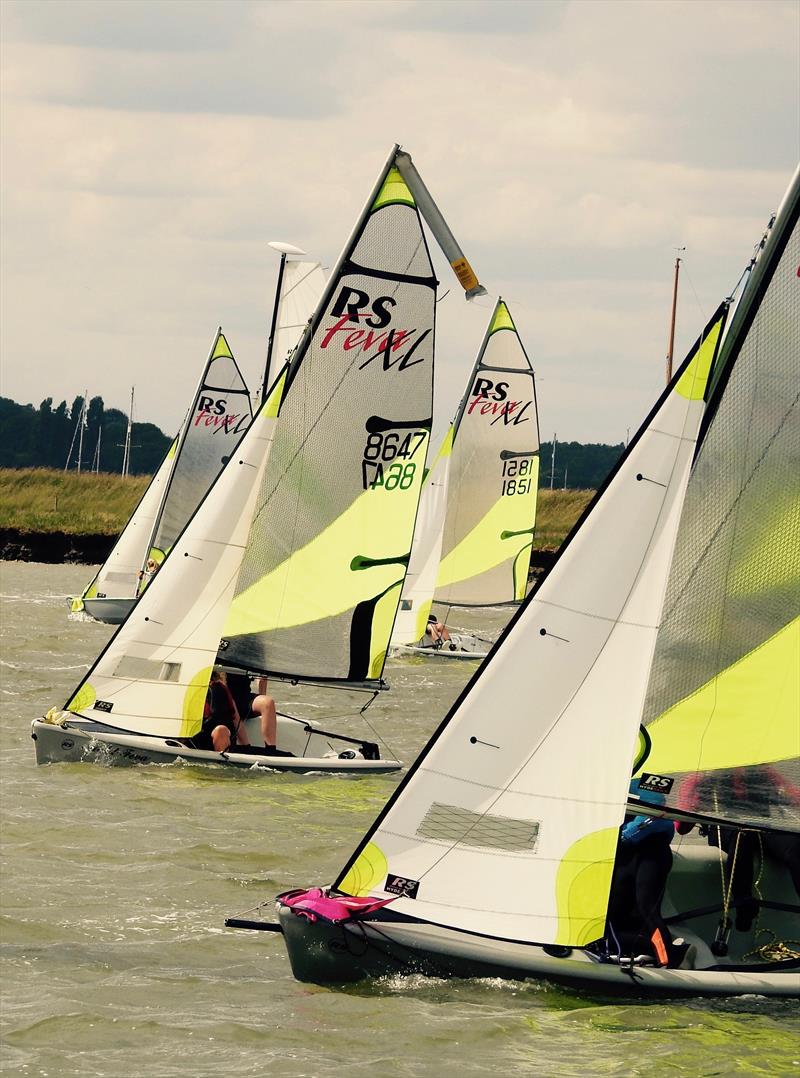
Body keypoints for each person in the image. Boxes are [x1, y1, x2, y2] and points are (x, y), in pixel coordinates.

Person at [677, 766, 800, 933]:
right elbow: (681, 828)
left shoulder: (762, 771)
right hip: (726, 830)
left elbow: (792, 795)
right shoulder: (700, 778)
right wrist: (696, 797)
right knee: (742, 836)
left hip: (760, 827)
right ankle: (744, 904)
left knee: (795, 845)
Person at [606, 781, 685, 967]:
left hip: (652, 850)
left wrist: (623, 837)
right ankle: (623, 950)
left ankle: (669, 959)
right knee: (615, 907)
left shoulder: (645, 776)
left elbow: (656, 809)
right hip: (625, 852)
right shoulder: (606, 775)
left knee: (646, 907)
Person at [225, 672, 280, 752]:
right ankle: (247, 747)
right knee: (231, 704)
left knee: (268, 703)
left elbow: (262, 674)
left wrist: (262, 696)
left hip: (244, 697)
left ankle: (271, 751)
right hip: (222, 694)